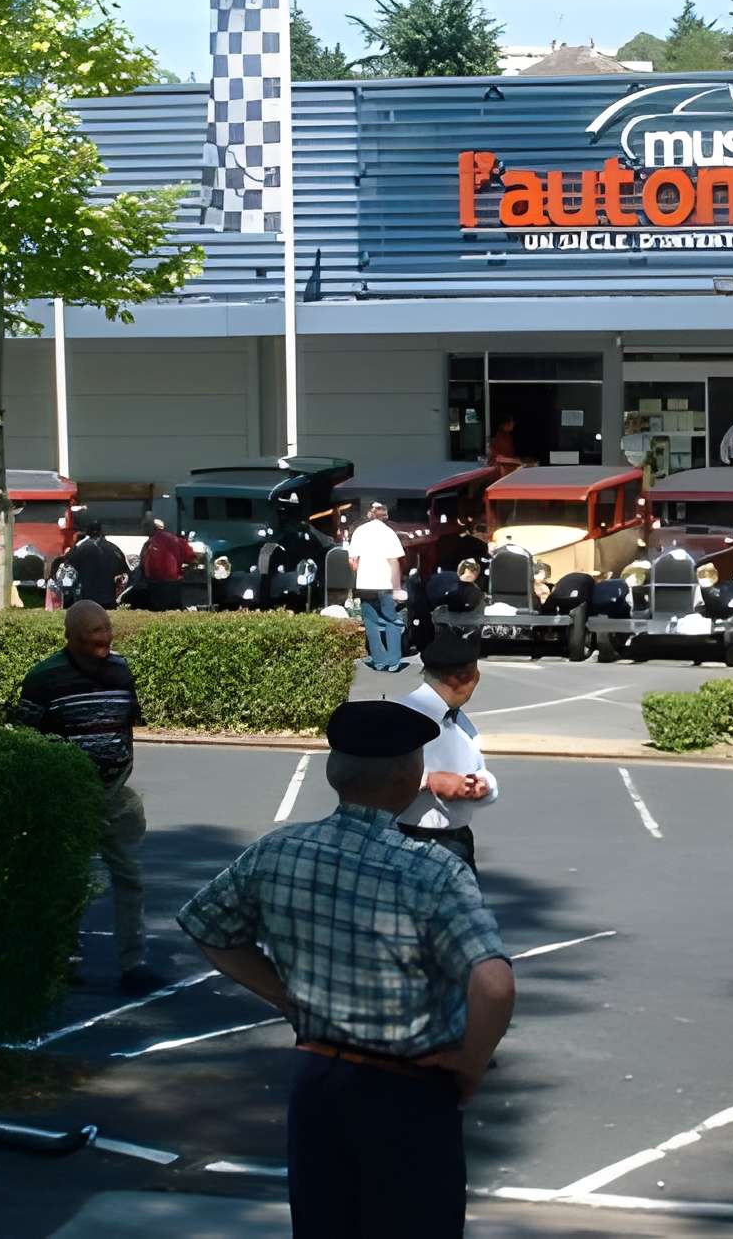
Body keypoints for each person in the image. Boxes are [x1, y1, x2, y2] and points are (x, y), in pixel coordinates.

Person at [177, 701, 516, 1239]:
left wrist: (289, 998)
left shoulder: (278, 850)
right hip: (410, 1091)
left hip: (319, 1081)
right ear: (409, 777)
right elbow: (494, 985)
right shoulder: (435, 871)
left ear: (335, 773)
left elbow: (208, 928)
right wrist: (470, 1066)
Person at [13, 602, 162, 993]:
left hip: (114, 794)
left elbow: (126, 725)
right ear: (70, 638)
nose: (102, 647)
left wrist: (120, 772)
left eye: (106, 637)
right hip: (66, 796)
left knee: (130, 877)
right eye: (91, 640)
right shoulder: (43, 679)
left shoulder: (121, 670)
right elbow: (26, 740)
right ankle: (63, 959)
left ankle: (134, 963)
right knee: (67, 880)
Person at [395, 632, 495, 872]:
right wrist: (430, 781)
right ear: (465, 678)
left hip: (457, 839)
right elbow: (374, 771)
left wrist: (482, 786)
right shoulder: (402, 716)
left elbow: (479, 769)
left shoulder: (461, 721)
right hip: (411, 841)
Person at [347, 499, 408, 673]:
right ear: (385, 515)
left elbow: (353, 562)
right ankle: (393, 661)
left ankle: (379, 661)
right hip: (384, 585)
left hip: (364, 585)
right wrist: (396, 588)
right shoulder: (389, 533)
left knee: (371, 623)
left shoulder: (359, 532)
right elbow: (394, 562)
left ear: (369, 514)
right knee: (391, 621)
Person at [65, 519, 127, 608]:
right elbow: (124, 568)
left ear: (87, 532)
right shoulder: (113, 548)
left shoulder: (80, 548)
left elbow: (69, 565)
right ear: (101, 531)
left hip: (87, 598)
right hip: (108, 599)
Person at [131, 516, 187, 611]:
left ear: (152, 529)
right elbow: (187, 558)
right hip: (174, 584)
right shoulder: (175, 540)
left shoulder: (150, 543)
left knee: (157, 611)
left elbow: (144, 564)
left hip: (156, 585)